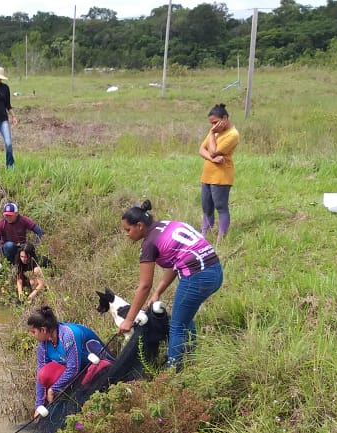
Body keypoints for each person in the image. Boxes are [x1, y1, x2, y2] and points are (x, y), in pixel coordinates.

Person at [118, 199, 223, 370]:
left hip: (198, 277)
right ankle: (189, 355)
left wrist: (128, 320)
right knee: (184, 316)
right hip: (215, 271)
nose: (126, 234)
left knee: (177, 325)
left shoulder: (149, 244)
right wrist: (157, 292)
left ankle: (172, 371)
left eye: (128, 230)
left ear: (139, 226)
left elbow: (144, 285)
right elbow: (178, 262)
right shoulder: (167, 224)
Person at [26, 305, 110, 416]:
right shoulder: (44, 343)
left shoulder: (68, 336)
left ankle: (82, 394)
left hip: (95, 365)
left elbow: (73, 368)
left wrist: (53, 389)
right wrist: (39, 405)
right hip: (77, 369)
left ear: (43, 330)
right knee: (44, 374)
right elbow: (40, 372)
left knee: (96, 370)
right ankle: (70, 391)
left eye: (33, 332)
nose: (32, 335)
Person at [198, 103, 239, 239]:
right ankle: (204, 234)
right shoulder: (215, 132)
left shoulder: (232, 135)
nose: (213, 126)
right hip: (207, 175)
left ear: (225, 118)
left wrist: (211, 136)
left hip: (221, 176)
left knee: (221, 206)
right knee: (206, 207)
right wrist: (212, 158)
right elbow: (201, 150)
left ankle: (221, 238)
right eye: (211, 124)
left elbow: (214, 151)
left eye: (215, 122)